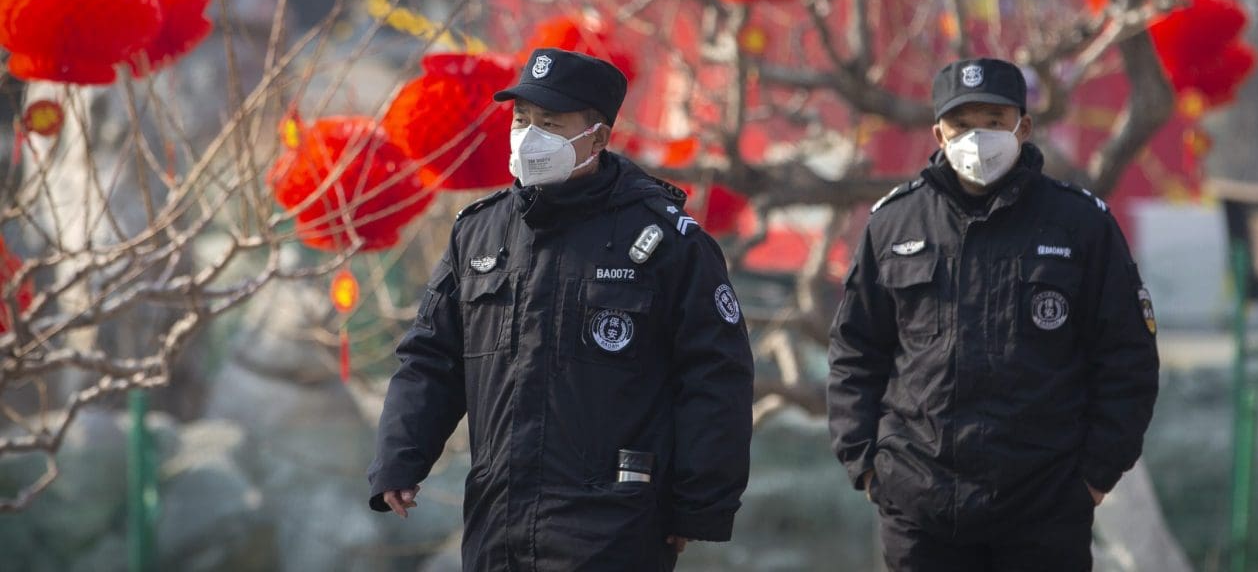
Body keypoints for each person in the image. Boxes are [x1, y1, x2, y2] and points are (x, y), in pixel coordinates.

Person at [367, 47, 755, 571]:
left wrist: (699, 504)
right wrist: (400, 458)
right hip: (497, 526)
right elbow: (431, 359)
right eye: (521, 118)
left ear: (597, 138)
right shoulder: (478, 232)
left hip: (614, 530)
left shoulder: (665, 242)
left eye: (550, 123)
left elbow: (715, 375)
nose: (529, 136)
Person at [827, 57, 1160, 571]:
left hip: (1045, 510)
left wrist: (1094, 477)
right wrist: (869, 466)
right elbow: (855, 351)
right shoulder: (894, 225)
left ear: (1022, 127)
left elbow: (1127, 357)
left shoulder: (1080, 225)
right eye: (961, 124)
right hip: (920, 510)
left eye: (993, 121)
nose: (977, 138)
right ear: (938, 133)